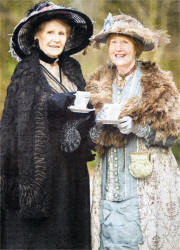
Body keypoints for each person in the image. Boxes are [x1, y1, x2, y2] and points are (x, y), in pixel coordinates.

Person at [0, 1, 95, 249]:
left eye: (61, 33)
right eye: (50, 32)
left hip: (72, 173)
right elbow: (17, 124)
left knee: (71, 234)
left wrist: (92, 119)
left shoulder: (73, 69)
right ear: (37, 37)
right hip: (40, 172)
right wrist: (57, 103)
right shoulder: (26, 71)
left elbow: (84, 113)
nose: (56, 39)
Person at [86, 13, 180, 250]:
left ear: (136, 48)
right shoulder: (97, 83)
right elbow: (86, 137)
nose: (118, 48)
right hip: (108, 182)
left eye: (124, 43)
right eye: (113, 42)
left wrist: (139, 129)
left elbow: (172, 134)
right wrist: (95, 128)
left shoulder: (157, 83)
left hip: (148, 183)